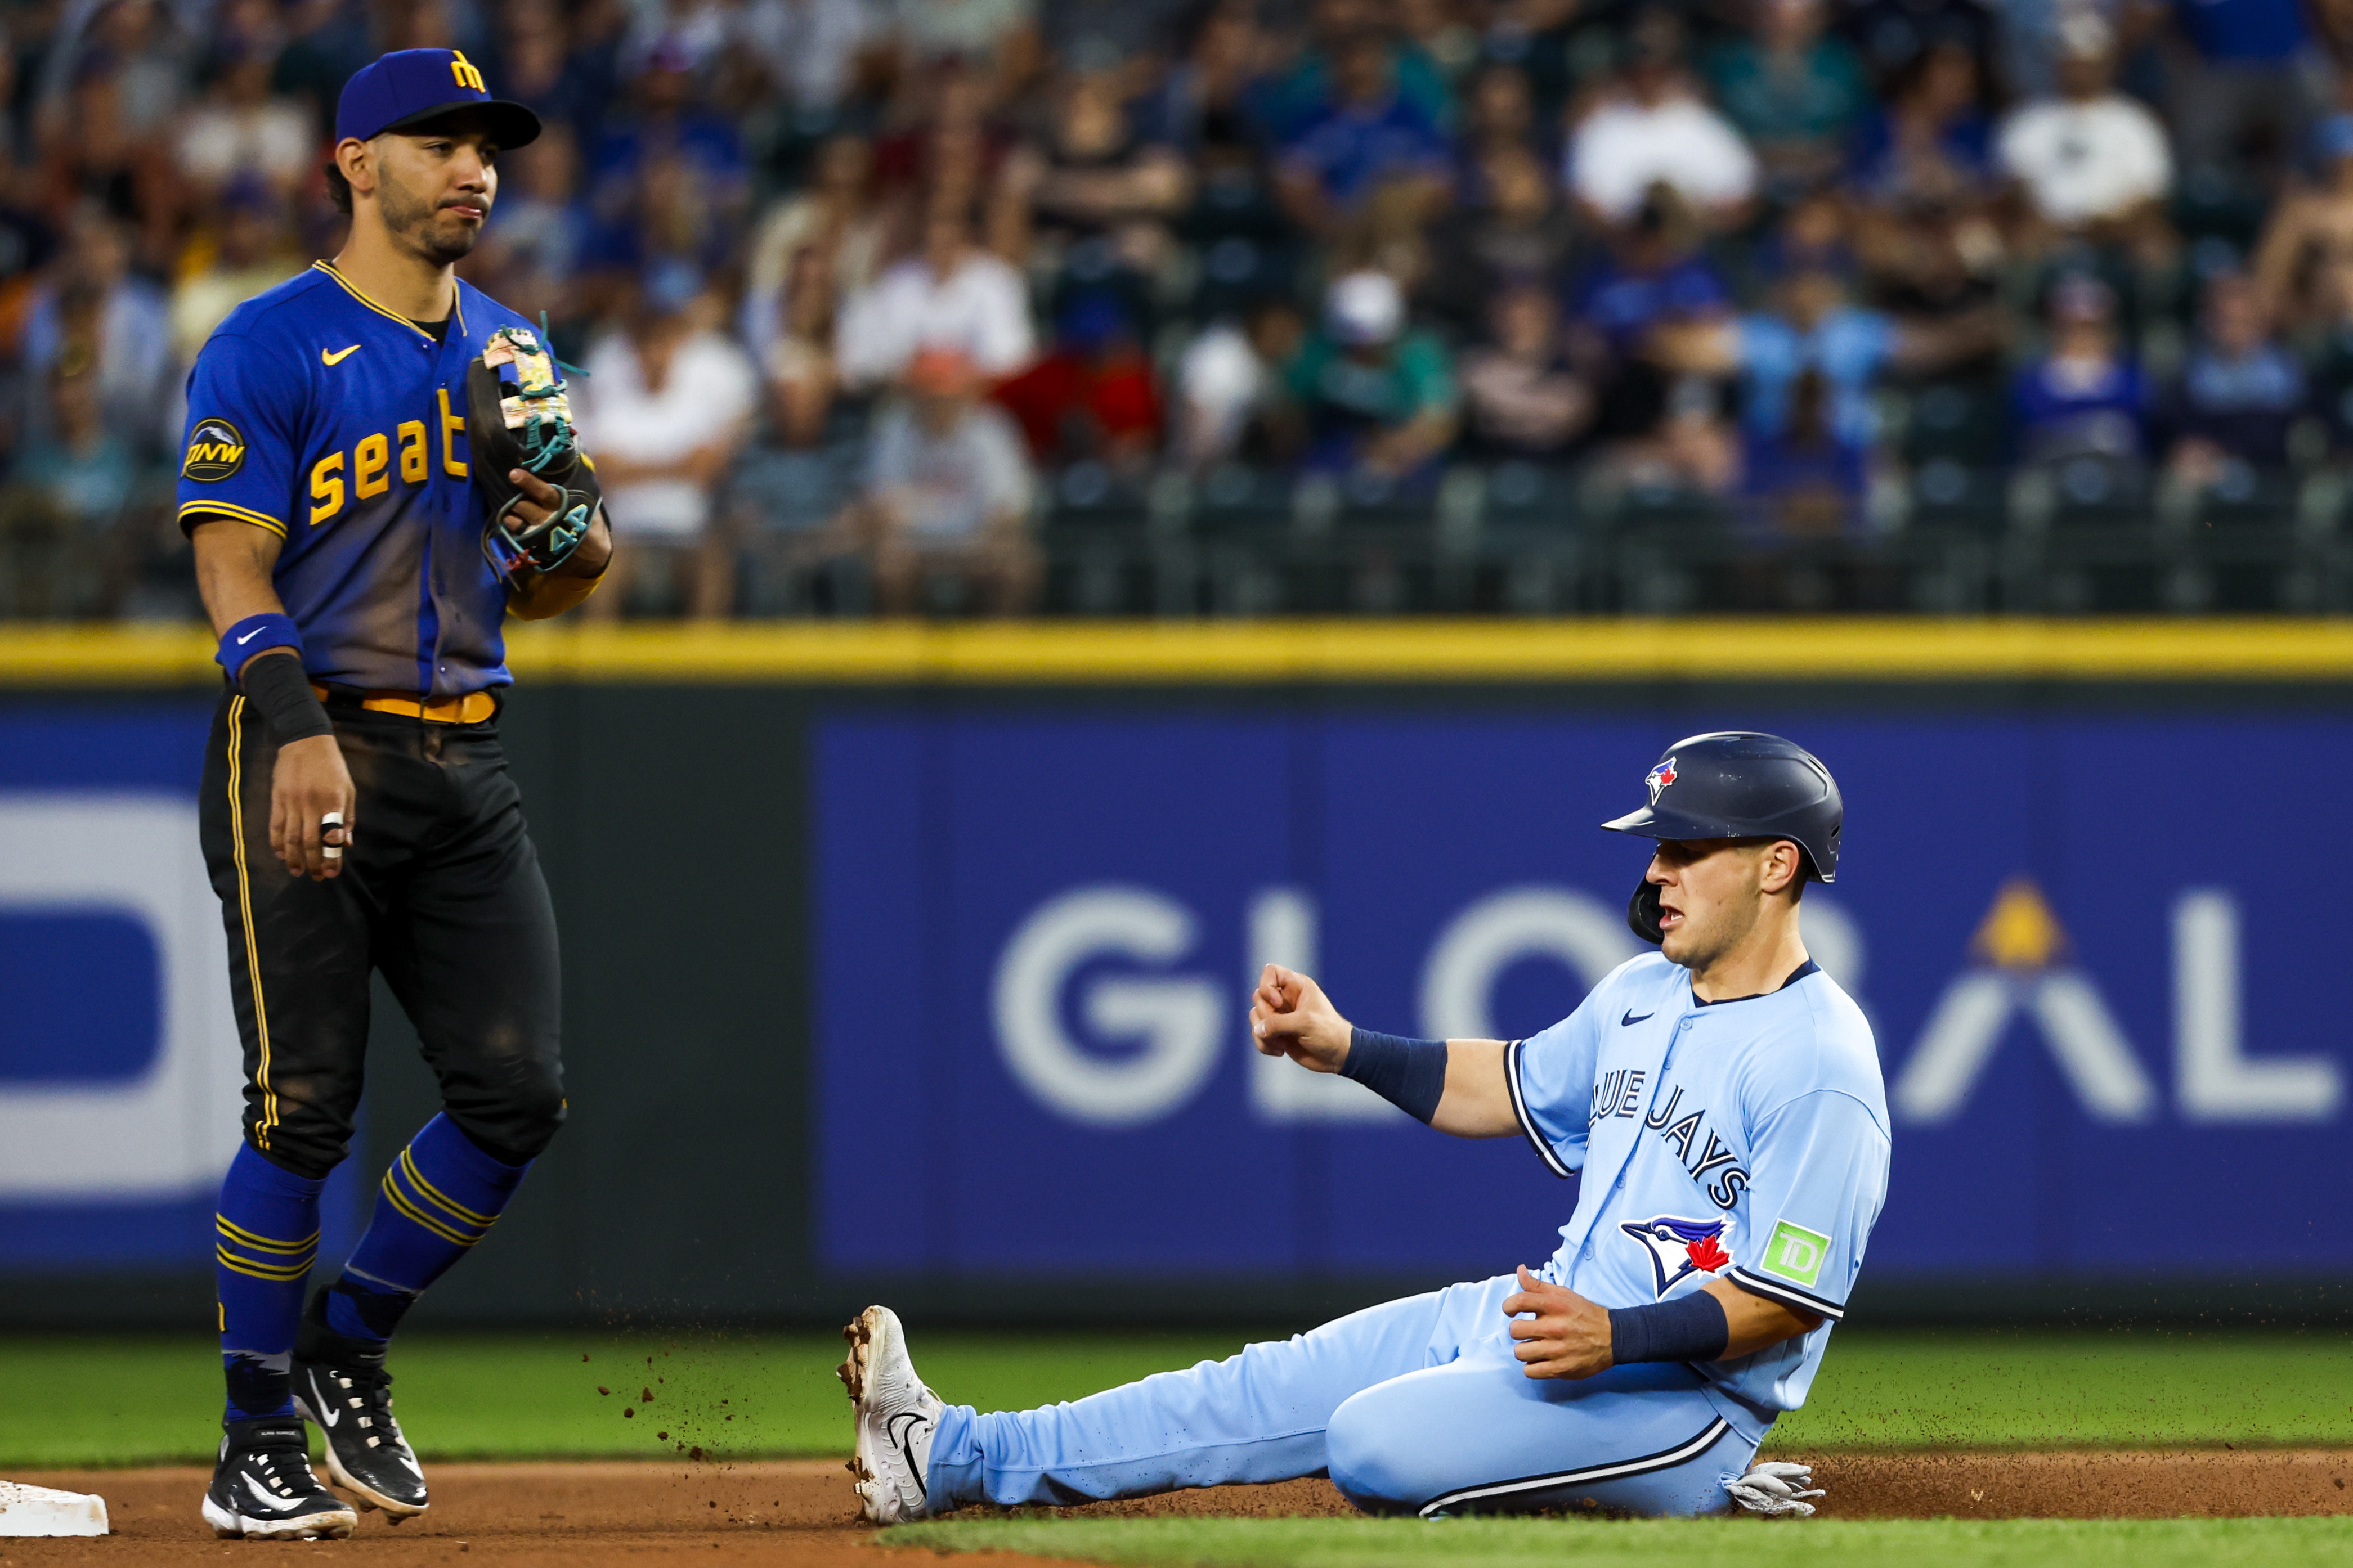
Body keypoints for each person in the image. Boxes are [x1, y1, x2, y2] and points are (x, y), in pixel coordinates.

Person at [842, 733, 1888, 1524]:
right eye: (1657, 848)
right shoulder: (1641, 993)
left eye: (1686, 848)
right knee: (1263, 1379)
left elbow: (1785, 1299)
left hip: (1673, 1390)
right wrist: (1345, 1046)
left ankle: (1701, 1483)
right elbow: (1509, 1084)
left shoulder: (1819, 1061)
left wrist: (1619, 1337)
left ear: (1775, 865)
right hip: (1544, 1321)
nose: (1655, 871)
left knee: (1372, 1443)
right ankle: (952, 1454)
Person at [176, 48, 613, 1542]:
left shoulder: (510, 346)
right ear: (353, 164)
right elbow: (228, 557)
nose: (473, 166)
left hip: (461, 755)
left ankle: (344, 1346)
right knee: (303, 1108)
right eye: (438, 140)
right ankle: (248, 1436)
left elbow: (572, 573)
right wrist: (288, 720)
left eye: (486, 144)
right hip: (312, 738)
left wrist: (560, 524)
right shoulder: (272, 342)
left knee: (514, 1095)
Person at [573, 266, 759, 619]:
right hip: (624, 529)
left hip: (688, 528)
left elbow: (705, 470)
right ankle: (598, 666)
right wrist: (677, 466)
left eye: (662, 347)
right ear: (636, 354)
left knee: (713, 565)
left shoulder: (698, 405)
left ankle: (704, 662)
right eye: (646, 349)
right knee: (599, 564)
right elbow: (606, 472)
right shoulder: (614, 405)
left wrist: (638, 468)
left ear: (675, 350)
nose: (654, 356)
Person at [851, 345, 1039, 614]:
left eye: (946, 394)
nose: (938, 402)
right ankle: (899, 654)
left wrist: (986, 541)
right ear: (914, 394)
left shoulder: (991, 430)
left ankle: (996, 653)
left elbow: (1007, 509)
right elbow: (882, 506)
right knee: (887, 565)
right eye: (929, 393)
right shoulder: (894, 429)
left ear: (965, 394)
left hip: (976, 542)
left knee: (1017, 565)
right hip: (912, 544)